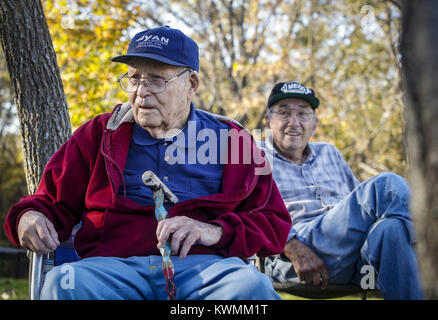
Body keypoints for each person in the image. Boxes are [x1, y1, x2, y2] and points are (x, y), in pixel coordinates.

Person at [3, 26, 291, 300]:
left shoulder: (232, 140)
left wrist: (215, 231)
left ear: (191, 84)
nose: (141, 91)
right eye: (134, 78)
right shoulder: (98, 134)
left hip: (206, 272)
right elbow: (49, 202)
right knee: (61, 284)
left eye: (156, 79)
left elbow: (273, 222)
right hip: (112, 270)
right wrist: (27, 217)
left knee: (252, 287)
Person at [258, 80, 424, 300]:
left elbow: (364, 207)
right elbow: (247, 212)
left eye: (303, 114)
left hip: (354, 258)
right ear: (268, 120)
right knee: (385, 186)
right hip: (298, 254)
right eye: (284, 112)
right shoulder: (254, 156)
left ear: (315, 123)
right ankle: (429, 244)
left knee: (391, 228)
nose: (294, 122)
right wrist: (291, 245)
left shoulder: (330, 153)